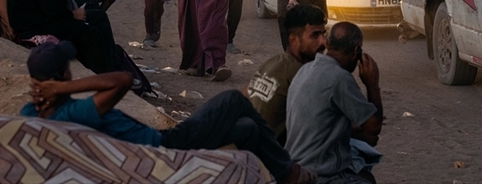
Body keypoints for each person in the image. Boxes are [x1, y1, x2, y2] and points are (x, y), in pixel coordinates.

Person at [21, 42, 317, 184]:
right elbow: (124, 80)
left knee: (246, 128)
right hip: (161, 147)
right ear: (62, 76)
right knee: (231, 99)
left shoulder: (31, 112)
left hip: (154, 145)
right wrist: (63, 88)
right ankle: (287, 172)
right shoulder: (73, 112)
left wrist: (55, 89)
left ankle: (272, 170)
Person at [286, 22, 384, 184]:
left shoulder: (306, 69)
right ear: (356, 50)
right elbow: (374, 126)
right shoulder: (340, 77)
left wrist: (360, 133)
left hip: (296, 166)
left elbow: (321, 121)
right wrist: (372, 85)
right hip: (320, 174)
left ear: (328, 44)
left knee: (365, 175)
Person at [248, 4, 327, 144]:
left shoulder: (272, 63)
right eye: (315, 35)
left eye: (323, 34)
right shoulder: (300, 73)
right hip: (271, 156)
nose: (323, 42)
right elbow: (321, 124)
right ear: (294, 40)